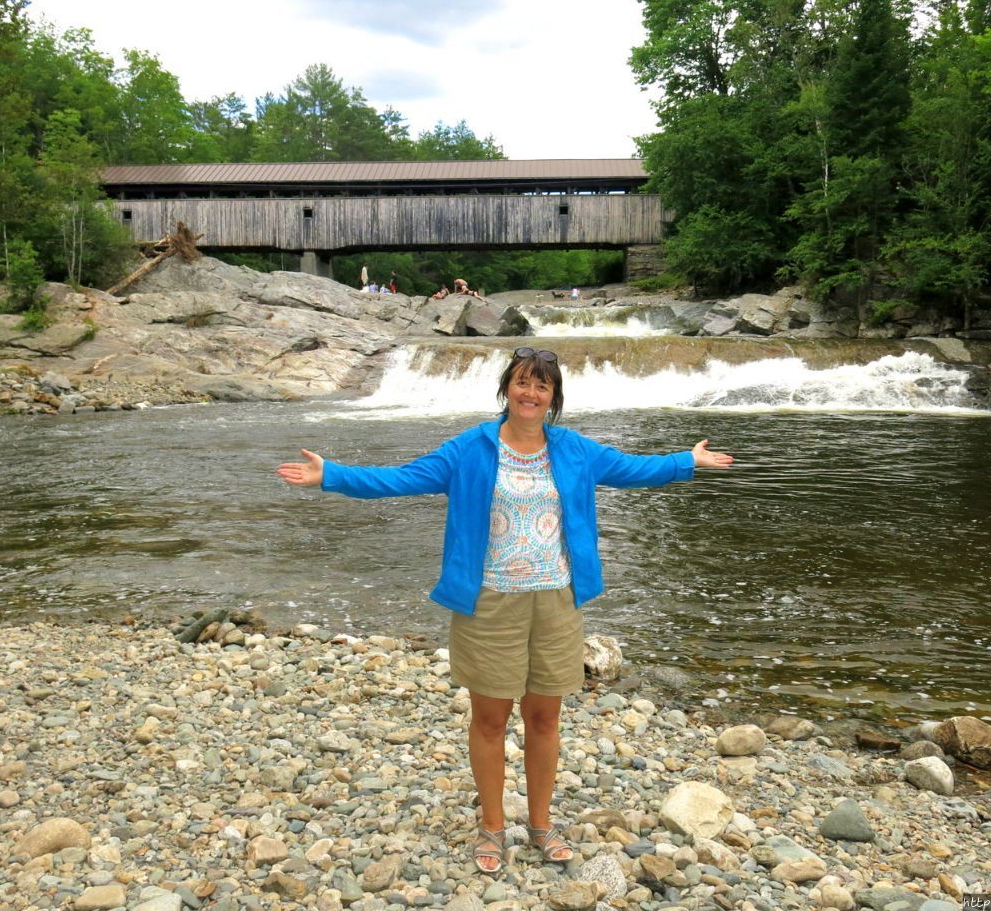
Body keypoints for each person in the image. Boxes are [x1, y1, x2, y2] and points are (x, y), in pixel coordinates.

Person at [276, 348, 733, 876]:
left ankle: (541, 825)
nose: (530, 394)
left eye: (542, 387)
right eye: (522, 383)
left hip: (558, 600)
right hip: (488, 601)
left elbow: (631, 469)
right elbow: (401, 478)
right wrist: (330, 474)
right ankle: (492, 826)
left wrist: (686, 461)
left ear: (553, 397)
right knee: (491, 719)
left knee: (545, 717)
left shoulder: (573, 449)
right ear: (506, 389)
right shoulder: (470, 449)